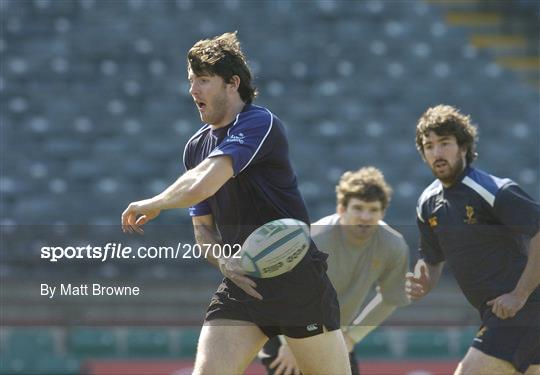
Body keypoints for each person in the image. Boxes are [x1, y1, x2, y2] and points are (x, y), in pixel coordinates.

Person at [121, 32, 351, 375]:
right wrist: (223, 262)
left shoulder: (260, 123)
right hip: (243, 281)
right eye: (191, 81)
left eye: (203, 80)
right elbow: (203, 229)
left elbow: (206, 181)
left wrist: (155, 203)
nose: (193, 91)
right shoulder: (194, 148)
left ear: (232, 83)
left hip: (296, 279)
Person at [407, 105, 540, 375]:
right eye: (429, 146)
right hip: (499, 313)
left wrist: (519, 294)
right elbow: (431, 259)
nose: (437, 152)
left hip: (524, 309)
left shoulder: (491, 189)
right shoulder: (426, 203)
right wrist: (422, 281)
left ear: (463, 147)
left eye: (444, 143)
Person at [259, 167, 411, 375]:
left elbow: (391, 298)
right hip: (284, 333)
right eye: (358, 208)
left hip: (335, 336)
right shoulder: (315, 239)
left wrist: (351, 337)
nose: (365, 216)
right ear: (341, 208)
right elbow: (282, 293)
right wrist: (291, 343)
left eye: (373, 210)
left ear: (382, 212)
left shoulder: (394, 246)